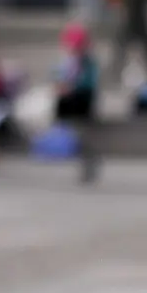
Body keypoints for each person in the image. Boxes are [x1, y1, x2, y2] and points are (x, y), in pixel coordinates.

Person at [53, 21, 102, 184]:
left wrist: (73, 87)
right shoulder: (68, 61)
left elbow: (90, 83)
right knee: (78, 134)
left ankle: (89, 164)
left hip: (83, 102)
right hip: (71, 102)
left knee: (85, 135)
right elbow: (59, 76)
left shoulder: (88, 62)